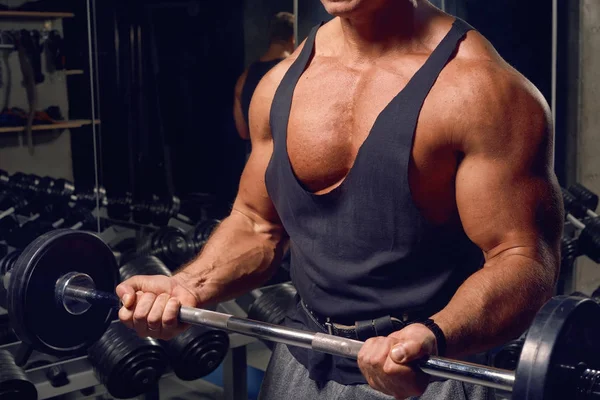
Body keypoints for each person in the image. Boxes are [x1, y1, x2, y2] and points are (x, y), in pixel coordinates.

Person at [116, 1, 563, 399]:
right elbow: (256, 224)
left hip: (432, 367)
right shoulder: (278, 85)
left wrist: (435, 336)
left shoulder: (482, 90)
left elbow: (522, 257)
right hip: (304, 354)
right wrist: (190, 286)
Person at [233, 12, 295, 146]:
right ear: (293, 39)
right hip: (286, 160)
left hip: (255, 160)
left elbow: (243, 132)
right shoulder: (297, 72)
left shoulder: (244, 78)